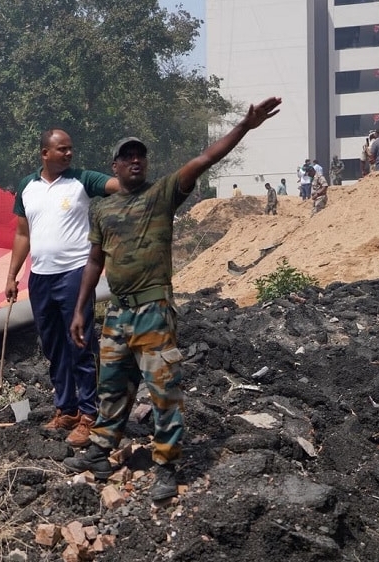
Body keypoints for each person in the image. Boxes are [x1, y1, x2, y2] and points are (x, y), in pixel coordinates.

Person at [64, 97, 282, 502]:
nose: (135, 162)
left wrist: (243, 127)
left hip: (153, 311)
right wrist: (81, 310)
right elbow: (94, 260)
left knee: (163, 390)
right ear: (113, 166)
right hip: (117, 312)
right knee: (111, 385)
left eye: (140, 156)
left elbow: (203, 159)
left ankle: (166, 465)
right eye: (126, 157)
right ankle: (99, 450)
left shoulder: (162, 194)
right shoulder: (103, 209)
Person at [5, 128, 120, 447]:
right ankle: (66, 409)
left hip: (75, 274)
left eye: (71, 149)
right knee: (53, 346)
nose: (69, 154)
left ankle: (89, 414)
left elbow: (115, 185)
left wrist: (130, 177)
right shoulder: (27, 187)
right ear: (45, 153)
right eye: (62, 150)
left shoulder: (82, 179)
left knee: (80, 344)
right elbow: (22, 234)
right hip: (40, 277)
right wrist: (12, 275)